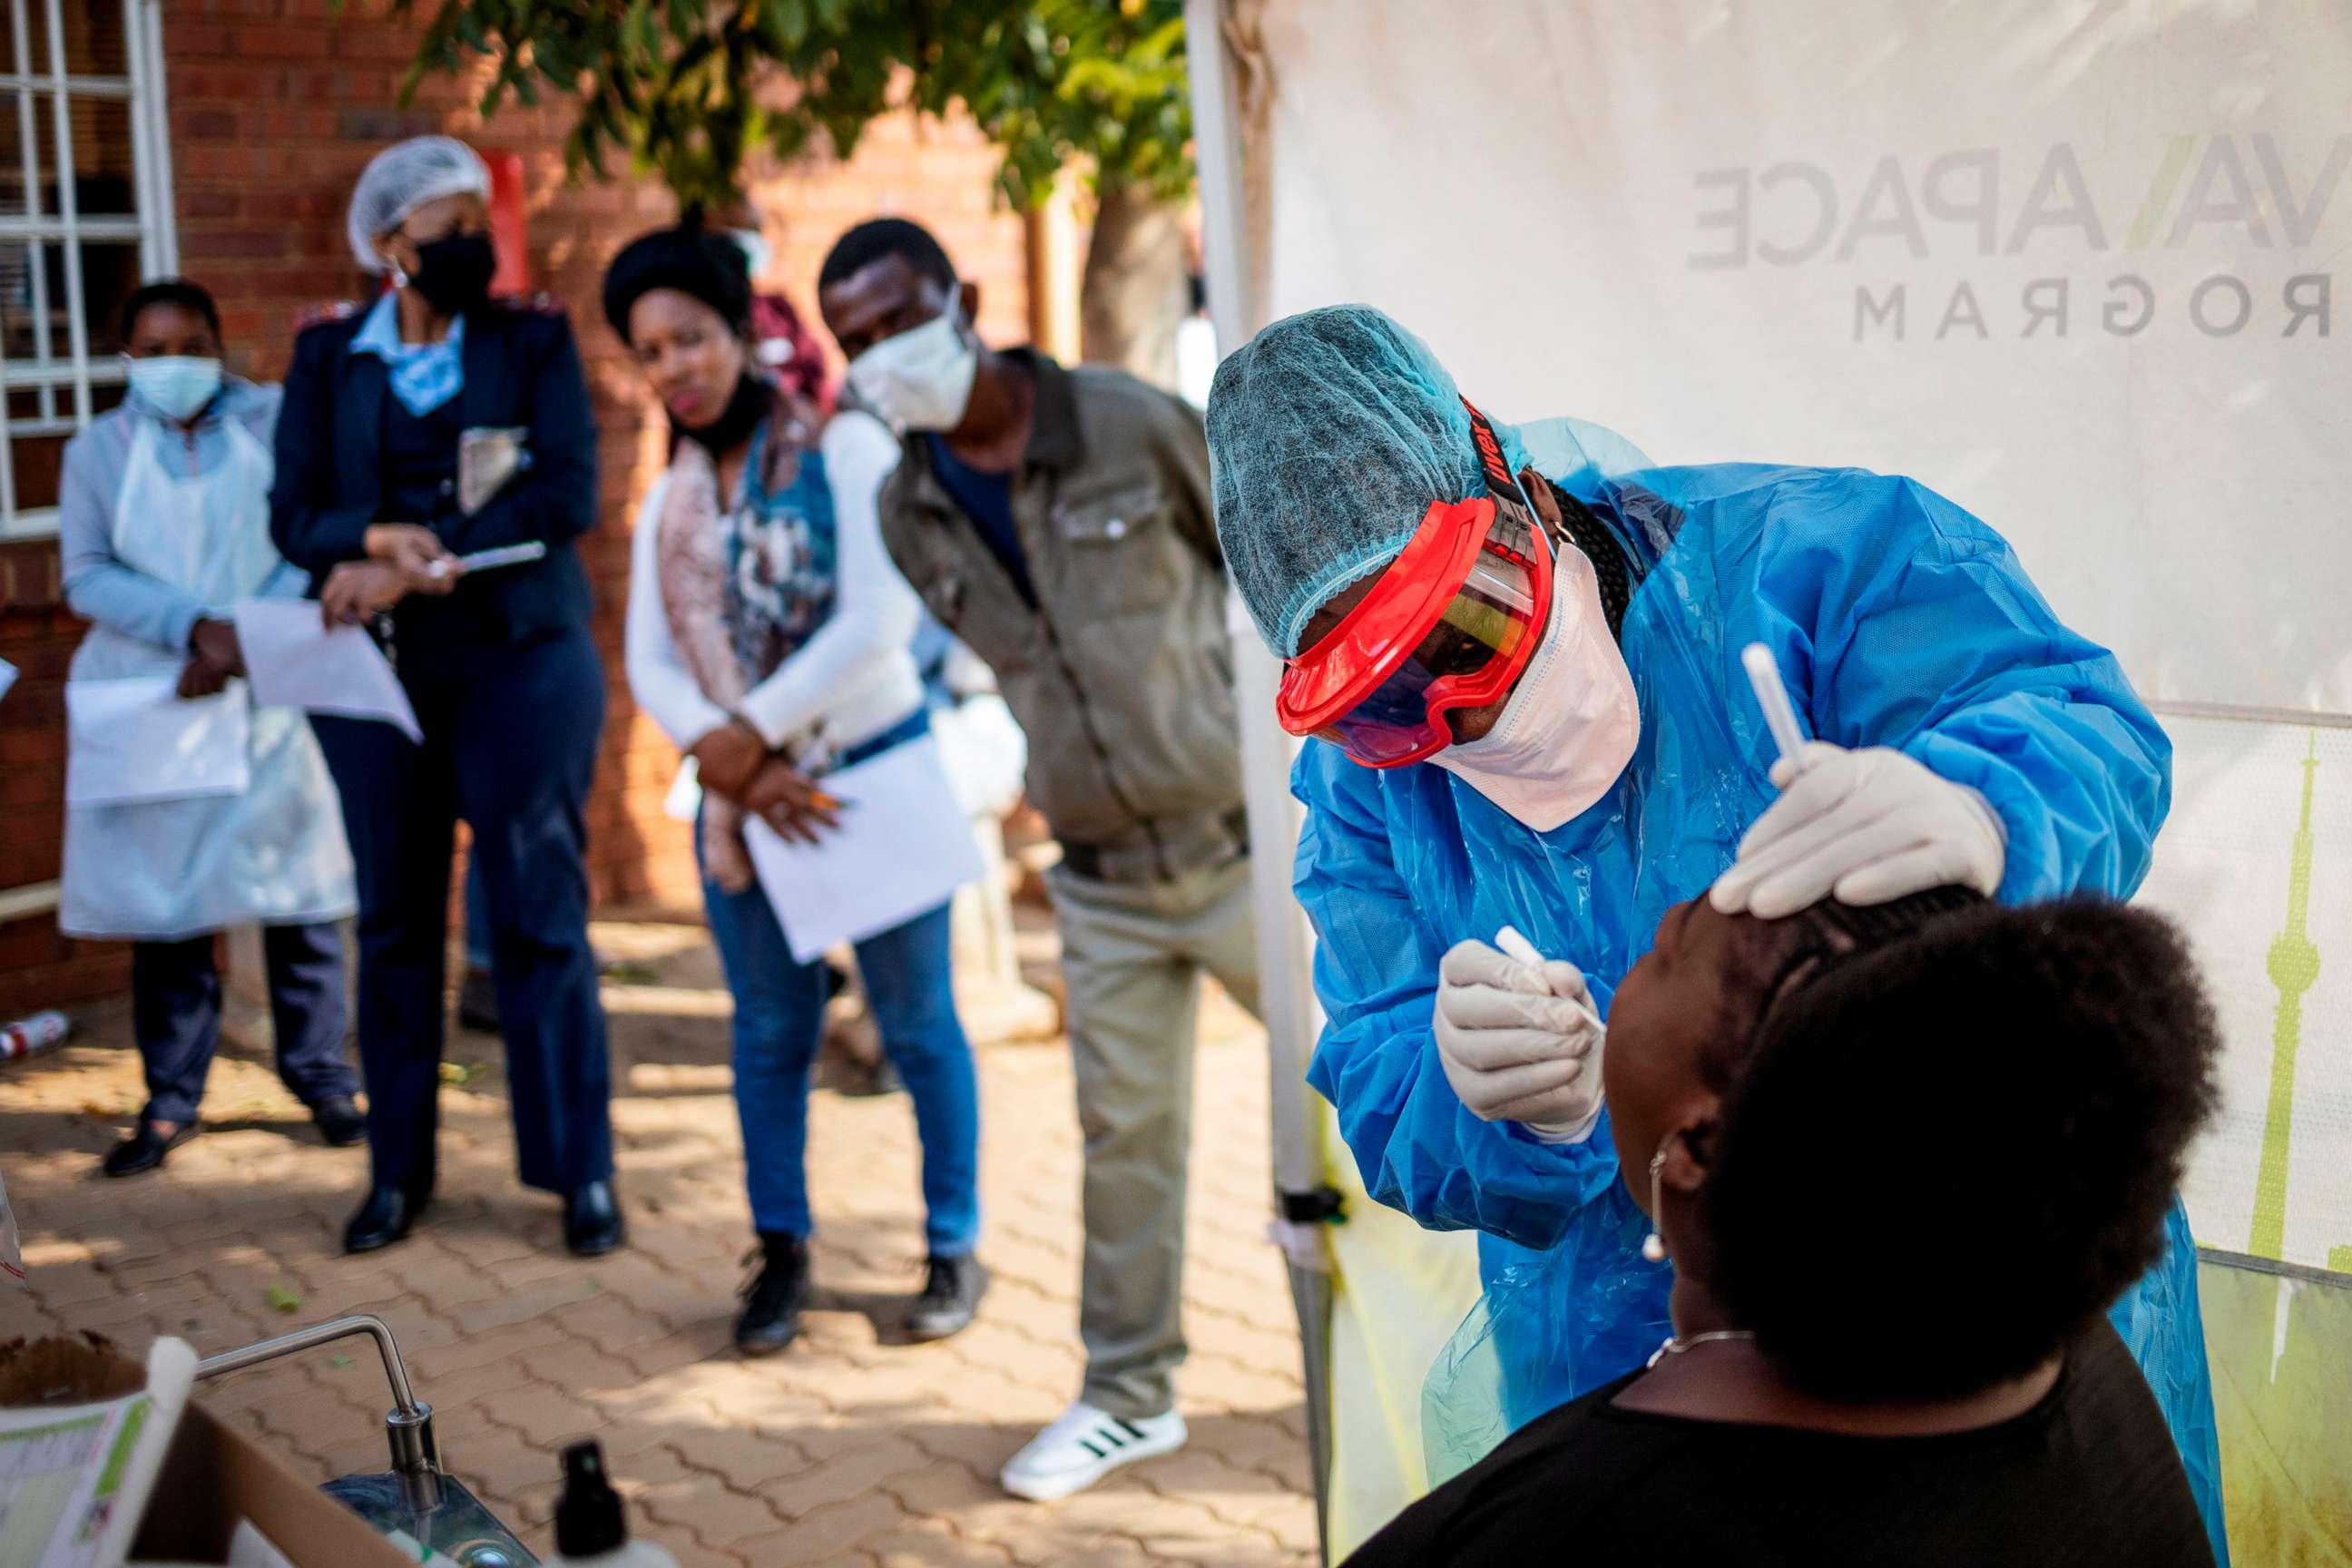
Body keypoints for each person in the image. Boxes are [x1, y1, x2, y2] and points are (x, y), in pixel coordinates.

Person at [1205, 305, 2224, 1548]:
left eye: (1466, 633)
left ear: (1516, 491)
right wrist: (1490, 1103)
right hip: (1617, 1351)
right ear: (1679, 1153)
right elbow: (1382, 1066)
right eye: (1383, 705)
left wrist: (1994, 803)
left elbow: (2081, 725)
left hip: (1979, 1278)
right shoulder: (1367, 795)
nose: (1455, 718)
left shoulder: (1818, 563)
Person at [1349, 889, 2220, 1566]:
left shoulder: (1558, 1534)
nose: (1644, 931)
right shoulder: (2076, 1374)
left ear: (1696, 1144)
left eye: (1660, 954)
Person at [819, 217, 1259, 1499]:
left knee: (1364, 1101)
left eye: (896, 321)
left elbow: (1254, 569)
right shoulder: (909, 502)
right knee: (1123, 1139)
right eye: (853, 342)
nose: (879, 356)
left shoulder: (1127, 422)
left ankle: (1439, 1357)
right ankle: (1130, 1397)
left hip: (1246, 848)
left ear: (960, 300)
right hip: (1101, 875)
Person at [607, 225, 987, 1355]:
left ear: (740, 336)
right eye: (651, 351)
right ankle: (780, 1253)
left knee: (918, 1028)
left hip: (863, 781)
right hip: (745, 814)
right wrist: (742, 763)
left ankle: (954, 1244)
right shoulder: (672, 494)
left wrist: (749, 737)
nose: (675, 366)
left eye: (691, 338)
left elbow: (881, 623)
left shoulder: (841, 445)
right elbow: (648, 659)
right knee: (770, 1032)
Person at [270, 136, 620, 1259]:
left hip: (521, 661)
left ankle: (582, 1174)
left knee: (537, 915)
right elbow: (293, 513)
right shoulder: (328, 359)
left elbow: (565, 490)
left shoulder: (532, 340)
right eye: (448, 231)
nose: (474, 248)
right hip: (378, 677)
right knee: (395, 920)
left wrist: (426, 560)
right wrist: (371, 541)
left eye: (481, 225)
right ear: (388, 246)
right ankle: (397, 1172)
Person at [59, 279, 361, 1175]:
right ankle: (172, 1098)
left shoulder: (272, 423)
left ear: (221, 346)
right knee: (170, 905)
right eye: (153, 351)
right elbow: (84, 573)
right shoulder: (96, 453)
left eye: (192, 345)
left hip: (270, 676)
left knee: (298, 891)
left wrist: (243, 637)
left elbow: (308, 535)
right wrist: (193, 628)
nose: (174, 365)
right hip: (161, 693)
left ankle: (324, 1078)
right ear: (126, 360)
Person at [704, 192, 830, 405]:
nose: (750, 241)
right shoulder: (700, 317)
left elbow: (816, 375)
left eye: (755, 230)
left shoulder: (778, 310)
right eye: (736, 229)